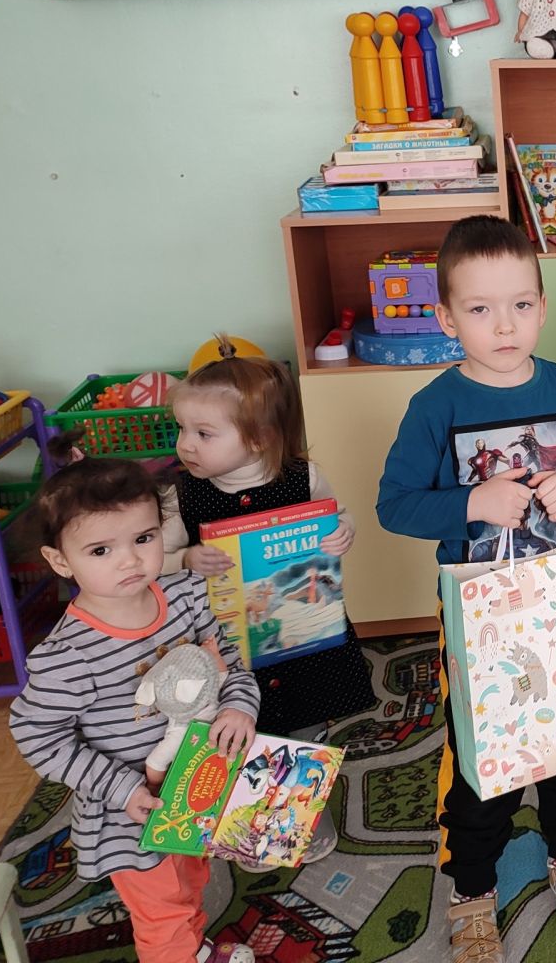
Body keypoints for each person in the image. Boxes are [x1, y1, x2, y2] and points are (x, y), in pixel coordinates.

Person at [377, 215, 556, 956]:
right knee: (487, 761)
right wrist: (472, 503)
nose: (505, 325)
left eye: (520, 304)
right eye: (481, 309)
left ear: (543, 307)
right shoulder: (436, 406)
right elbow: (395, 505)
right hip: (479, 612)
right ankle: (473, 889)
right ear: (447, 318)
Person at [10, 458, 258, 963]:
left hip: (196, 783)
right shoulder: (68, 656)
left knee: (189, 881)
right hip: (130, 813)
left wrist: (238, 708)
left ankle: (194, 948)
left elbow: (229, 663)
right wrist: (120, 788)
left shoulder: (186, 597)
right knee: (162, 912)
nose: (130, 561)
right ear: (60, 561)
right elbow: (38, 736)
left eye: (144, 538)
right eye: (101, 550)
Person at [164, 336, 374, 864]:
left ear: (259, 438)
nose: (186, 445)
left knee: (305, 727)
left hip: (302, 642)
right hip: (227, 648)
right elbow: (154, 559)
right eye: (182, 429)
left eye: (203, 433)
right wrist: (185, 557)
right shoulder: (183, 496)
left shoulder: (303, 478)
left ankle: (300, 815)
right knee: (237, 730)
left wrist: (343, 532)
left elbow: (338, 517)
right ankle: (242, 816)